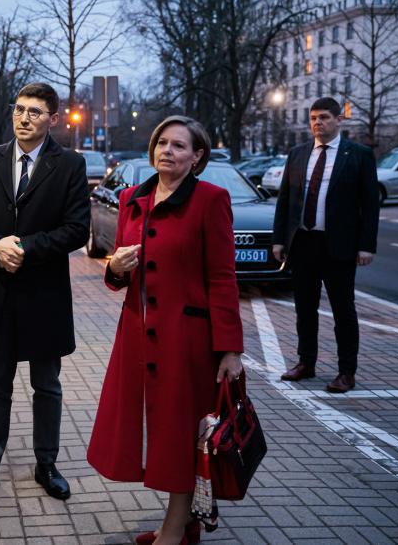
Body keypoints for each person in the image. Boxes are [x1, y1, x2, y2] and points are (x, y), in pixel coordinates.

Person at [87, 116, 244, 545]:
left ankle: (174, 532)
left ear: (197, 158)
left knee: (180, 434)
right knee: (150, 430)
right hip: (137, 335)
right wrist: (114, 269)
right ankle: (184, 521)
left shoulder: (211, 200)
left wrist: (230, 349)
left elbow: (222, 277)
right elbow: (120, 272)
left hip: (187, 340)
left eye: (178, 145)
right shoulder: (132, 199)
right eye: (161, 142)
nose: (166, 151)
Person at [0, 83, 89, 502]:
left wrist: (25, 249)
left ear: (52, 119)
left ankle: (46, 464)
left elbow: (76, 229)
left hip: (44, 294)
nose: (24, 117)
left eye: (34, 111)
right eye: (19, 109)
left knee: (47, 385)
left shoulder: (69, 165)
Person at [272, 97, 379, 393]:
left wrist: (366, 245)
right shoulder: (297, 154)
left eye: (324, 118)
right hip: (303, 243)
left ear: (339, 120)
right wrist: (280, 239)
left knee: (343, 310)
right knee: (304, 308)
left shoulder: (358, 155)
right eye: (313, 118)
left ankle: (347, 372)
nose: (318, 123)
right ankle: (306, 363)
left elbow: (370, 205)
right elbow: (286, 201)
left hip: (339, 246)